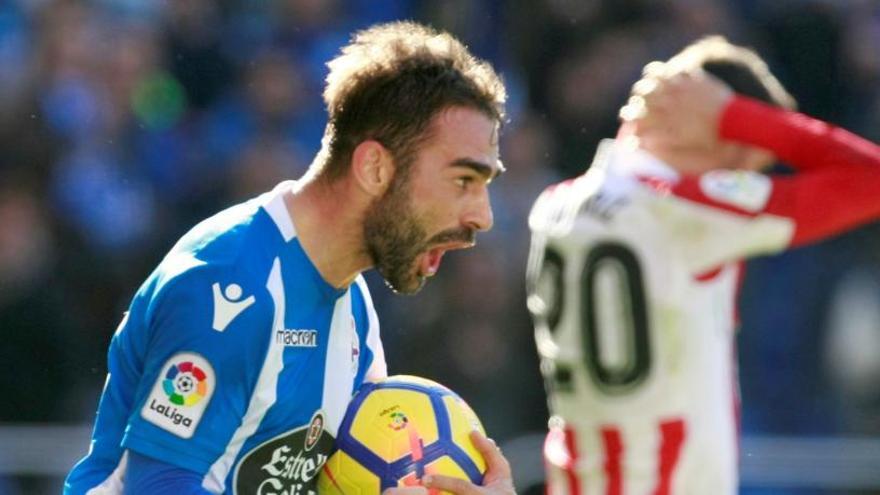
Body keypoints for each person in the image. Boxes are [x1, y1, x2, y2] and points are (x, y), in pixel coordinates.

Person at [65, 21, 515, 495]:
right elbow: (156, 485)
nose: (483, 217)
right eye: (464, 180)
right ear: (375, 168)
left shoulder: (353, 304)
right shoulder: (229, 287)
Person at [526, 36, 880, 494]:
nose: (753, 172)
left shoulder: (555, 203)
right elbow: (870, 180)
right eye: (757, 160)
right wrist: (737, 117)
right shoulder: (679, 210)